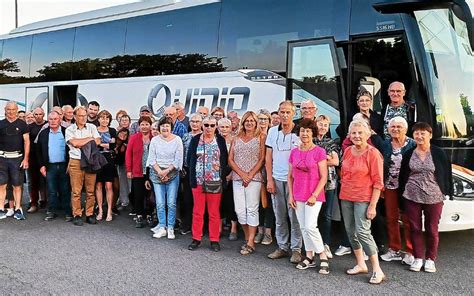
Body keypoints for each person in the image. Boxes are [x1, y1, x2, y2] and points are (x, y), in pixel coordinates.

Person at [398, 122, 452, 273]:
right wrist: (401, 195)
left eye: (423, 133)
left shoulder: (439, 152)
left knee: (432, 229)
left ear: (430, 135)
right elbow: (403, 175)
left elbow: (446, 173)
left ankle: (430, 259)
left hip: (434, 196)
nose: (419, 136)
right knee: (414, 228)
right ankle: (418, 258)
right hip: (411, 195)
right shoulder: (408, 153)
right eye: (416, 133)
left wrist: (447, 191)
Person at [340, 120, 385, 284]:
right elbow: (343, 174)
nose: (357, 136)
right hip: (346, 196)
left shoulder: (373, 153)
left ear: (367, 134)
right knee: (350, 232)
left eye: (360, 133)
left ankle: (377, 270)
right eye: (354, 133)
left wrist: (372, 205)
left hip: (364, 198)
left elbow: (378, 182)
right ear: (349, 135)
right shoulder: (347, 151)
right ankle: (360, 264)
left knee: (363, 232)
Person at [288, 119, 329, 273]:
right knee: (304, 227)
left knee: (311, 226)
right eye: (302, 131)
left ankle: (323, 255)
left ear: (313, 133)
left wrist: (314, 194)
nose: (304, 133)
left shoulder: (319, 152)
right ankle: (309, 257)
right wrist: (290, 195)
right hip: (298, 193)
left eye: (308, 131)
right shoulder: (294, 152)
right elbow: (290, 176)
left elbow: (324, 177)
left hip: (314, 194)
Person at [373, 117, 416, 265]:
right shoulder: (385, 144)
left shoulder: (413, 144)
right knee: (391, 218)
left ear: (405, 128)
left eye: (399, 127)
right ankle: (394, 249)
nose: (395, 129)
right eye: (393, 127)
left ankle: (411, 251)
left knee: (408, 219)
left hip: (408, 187)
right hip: (390, 186)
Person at [265, 101, 303, 263]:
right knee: (279, 215)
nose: (285, 115)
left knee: (294, 216)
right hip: (276, 178)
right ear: (278, 113)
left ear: (294, 113)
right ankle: (282, 246)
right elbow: (268, 157)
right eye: (282, 112)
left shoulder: (300, 132)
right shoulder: (272, 132)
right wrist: (269, 179)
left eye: (288, 112)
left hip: (295, 181)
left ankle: (296, 249)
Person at [187, 116, 229, 252]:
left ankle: (214, 240)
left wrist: (222, 177)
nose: (209, 128)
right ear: (202, 126)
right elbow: (189, 160)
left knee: (214, 212)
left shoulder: (220, 140)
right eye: (206, 125)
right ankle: (196, 238)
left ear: (216, 126)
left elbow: (225, 160)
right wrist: (192, 179)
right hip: (198, 180)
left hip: (215, 181)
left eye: (212, 125)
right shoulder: (195, 140)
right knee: (198, 211)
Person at [229, 111, 265, 255]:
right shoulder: (236, 137)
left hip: (254, 178)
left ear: (256, 122)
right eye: (247, 121)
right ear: (243, 122)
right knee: (239, 211)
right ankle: (247, 235)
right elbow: (230, 159)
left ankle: (250, 241)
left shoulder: (261, 137)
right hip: (237, 178)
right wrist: (242, 174)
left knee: (252, 209)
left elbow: (262, 159)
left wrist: (249, 175)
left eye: (252, 120)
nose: (249, 123)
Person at [147, 117, 184, 239]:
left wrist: (166, 172)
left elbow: (178, 159)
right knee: (160, 203)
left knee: (171, 202)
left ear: (171, 128)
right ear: (159, 128)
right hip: (157, 173)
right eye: (162, 126)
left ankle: (171, 227)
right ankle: (162, 226)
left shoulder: (177, 140)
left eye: (167, 126)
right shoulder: (155, 140)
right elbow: (152, 159)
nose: (164, 128)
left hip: (172, 173)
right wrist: (160, 172)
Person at [65, 106, 101, 226]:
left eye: (85, 115)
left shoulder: (92, 127)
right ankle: (77, 214)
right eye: (80, 116)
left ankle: (90, 214)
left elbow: (97, 142)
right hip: (75, 161)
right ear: (75, 117)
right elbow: (74, 143)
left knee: (90, 190)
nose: (83, 118)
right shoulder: (69, 129)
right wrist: (89, 139)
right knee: (76, 191)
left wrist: (83, 142)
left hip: (90, 161)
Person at [314, 115, 342, 259]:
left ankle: (325, 244)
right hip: (312, 183)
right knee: (313, 216)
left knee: (326, 216)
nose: (323, 127)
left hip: (329, 183)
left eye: (325, 125)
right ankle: (314, 245)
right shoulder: (310, 140)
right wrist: (326, 158)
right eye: (320, 124)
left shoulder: (331, 142)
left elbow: (336, 161)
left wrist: (317, 160)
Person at [36, 110, 71, 221]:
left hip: (64, 165)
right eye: (50, 119)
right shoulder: (43, 133)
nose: (53, 121)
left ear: (60, 119)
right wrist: (41, 166)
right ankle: (52, 211)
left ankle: (67, 212)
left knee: (65, 189)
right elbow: (38, 151)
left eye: (55, 119)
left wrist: (70, 165)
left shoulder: (67, 132)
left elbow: (72, 149)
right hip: (49, 166)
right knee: (51, 190)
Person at [0, 101, 29, 220]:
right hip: (2, 158)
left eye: (13, 109)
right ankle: (1, 208)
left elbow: (27, 142)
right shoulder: (0, 124)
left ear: (17, 110)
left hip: (17, 159)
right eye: (8, 109)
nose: (11, 112)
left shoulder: (22, 125)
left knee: (17, 185)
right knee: (1, 184)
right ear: (5, 110)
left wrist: (26, 159)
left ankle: (18, 209)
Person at [125, 116, 153, 228]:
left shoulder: (154, 137)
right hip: (137, 170)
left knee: (150, 194)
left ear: (150, 125)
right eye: (142, 124)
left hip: (151, 171)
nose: (144, 126)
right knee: (138, 194)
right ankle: (139, 215)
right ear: (139, 126)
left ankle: (149, 214)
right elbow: (128, 154)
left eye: (147, 124)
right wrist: (129, 170)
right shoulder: (134, 137)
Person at [180, 113, 203, 235]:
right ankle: (187, 224)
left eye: (197, 121)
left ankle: (200, 227)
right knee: (187, 199)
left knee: (199, 200)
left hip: (202, 172)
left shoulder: (205, 137)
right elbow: (181, 153)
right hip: (187, 171)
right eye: (193, 121)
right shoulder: (185, 136)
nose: (195, 123)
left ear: (201, 123)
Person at [254, 109, 275, 245]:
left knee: (269, 205)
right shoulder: (253, 135)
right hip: (256, 173)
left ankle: (268, 233)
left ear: (269, 121)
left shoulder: (273, 134)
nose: (262, 122)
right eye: (260, 119)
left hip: (271, 173)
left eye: (265, 119)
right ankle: (259, 232)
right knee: (257, 205)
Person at [217, 117, 239, 241]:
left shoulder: (235, 140)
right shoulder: (215, 140)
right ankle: (218, 228)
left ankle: (234, 228)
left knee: (231, 202)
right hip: (218, 175)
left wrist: (230, 175)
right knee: (219, 202)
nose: (224, 129)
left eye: (226, 127)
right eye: (222, 127)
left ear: (231, 128)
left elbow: (237, 159)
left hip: (233, 175)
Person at [95, 110, 117, 222]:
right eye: (102, 118)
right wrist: (105, 144)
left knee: (109, 186)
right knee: (98, 185)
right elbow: (94, 145)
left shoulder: (112, 130)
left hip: (109, 159)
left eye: (107, 118)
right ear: (98, 119)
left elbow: (113, 145)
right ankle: (100, 211)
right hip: (97, 159)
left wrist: (100, 143)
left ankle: (109, 211)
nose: (104, 120)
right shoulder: (94, 130)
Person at [27, 107, 47, 213]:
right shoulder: (29, 127)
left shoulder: (48, 125)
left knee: (46, 182)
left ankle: (46, 202)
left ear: (43, 114)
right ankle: (34, 203)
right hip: (33, 158)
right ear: (33, 115)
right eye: (36, 114)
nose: (38, 116)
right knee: (33, 182)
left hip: (45, 158)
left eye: (40, 114)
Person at [115, 127, 130, 209]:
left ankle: (124, 201)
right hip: (113, 164)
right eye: (121, 133)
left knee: (123, 182)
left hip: (122, 165)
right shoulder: (114, 141)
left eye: (125, 135)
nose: (123, 136)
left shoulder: (125, 145)